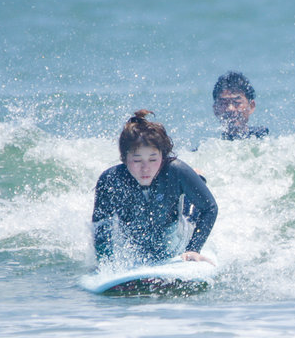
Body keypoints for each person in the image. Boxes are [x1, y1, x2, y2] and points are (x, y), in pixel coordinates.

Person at [91, 110, 218, 266]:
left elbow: (210, 208)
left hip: (175, 233)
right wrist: (106, 264)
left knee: (189, 214)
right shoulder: (111, 180)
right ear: (124, 158)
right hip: (140, 237)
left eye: (153, 159)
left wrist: (193, 249)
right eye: (137, 161)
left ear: (163, 157)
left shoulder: (176, 170)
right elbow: (101, 226)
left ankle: (196, 179)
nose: (145, 169)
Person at [212, 71, 268, 140]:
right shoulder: (208, 148)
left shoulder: (266, 143)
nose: (230, 108)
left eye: (236, 102)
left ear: (251, 106)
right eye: (224, 103)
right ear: (215, 109)